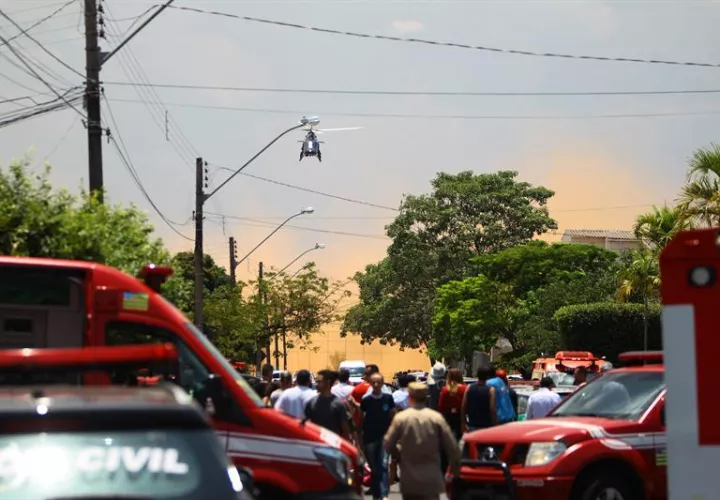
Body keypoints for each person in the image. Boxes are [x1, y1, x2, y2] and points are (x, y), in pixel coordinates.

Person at [384, 382, 460, 500]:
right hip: (431, 477)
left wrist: (398, 454)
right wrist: (455, 472)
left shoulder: (401, 418)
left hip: (409, 478)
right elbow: (452, 447)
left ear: (409, 397)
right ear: (426, 397)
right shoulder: (436, 418)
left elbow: (387, 444)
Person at [360, 373, 395, 500]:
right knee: (374, 468)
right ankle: (376, 494)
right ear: (370, 383)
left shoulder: (388, 398)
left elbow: (393, 416)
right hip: (369, 438)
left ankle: (384, 494)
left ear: (382, 383)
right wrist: (360, 439)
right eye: (373, 382)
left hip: (385, 437)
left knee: (383, 465)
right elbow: (361, 420)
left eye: (378, 382)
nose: (376, 385)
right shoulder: (366, 400)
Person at [305, 369, 350, 439]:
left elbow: (345, 429)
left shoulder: (339, 404)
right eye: (316, 382)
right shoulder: (311, 403)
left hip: (332, 445)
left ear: (328, 382)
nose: (316, 385)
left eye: (319, 382)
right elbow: (306, 425)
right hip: (316, 444)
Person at [461, 364, 497, 433]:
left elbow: (463, 407)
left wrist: (463, 423)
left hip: (472, 426)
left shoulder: (468, 388)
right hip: (486, 427)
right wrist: (495, 425)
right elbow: (493, 409)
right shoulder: (491, 390)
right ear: (488, 377)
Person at [438, 368, 467, 440]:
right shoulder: (465, 388)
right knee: (460, 437)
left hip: (448, 415)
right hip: (461, 415)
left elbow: (440, 405)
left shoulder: (446, 389)